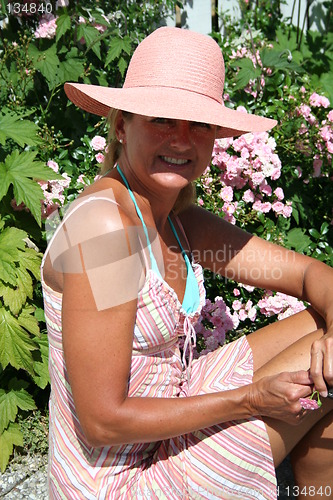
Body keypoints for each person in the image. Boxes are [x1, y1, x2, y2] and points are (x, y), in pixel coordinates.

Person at [41, 27, 333, 499]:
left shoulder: (178, 220)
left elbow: (309, 275)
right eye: (161, 119)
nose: (181, 139)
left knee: (326, 343)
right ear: (121, 124)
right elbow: (102, 421)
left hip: (167, 423)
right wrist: (250, 401)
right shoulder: (105, 231)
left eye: (198, 124)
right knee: (323, 379)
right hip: (119, 481)